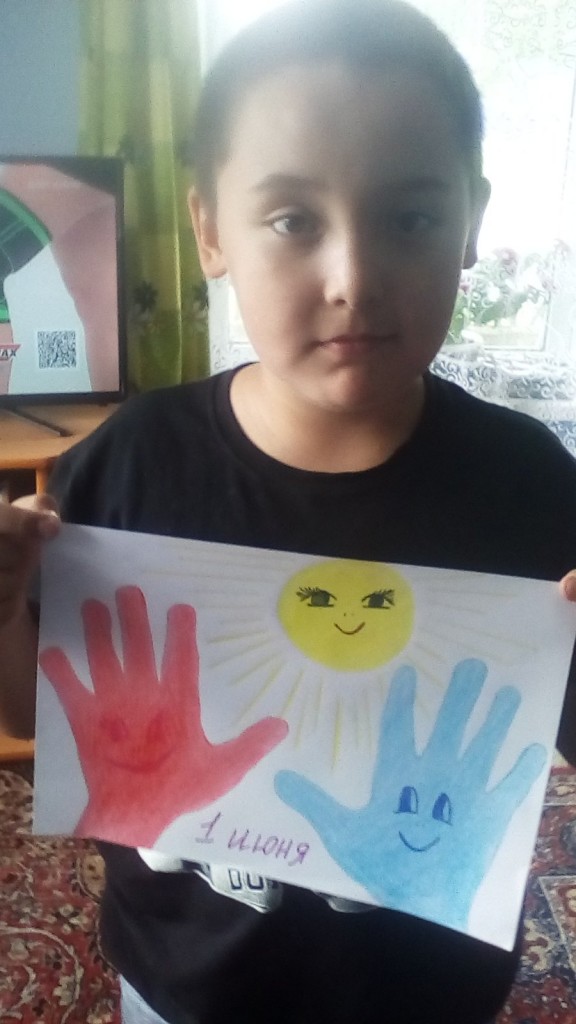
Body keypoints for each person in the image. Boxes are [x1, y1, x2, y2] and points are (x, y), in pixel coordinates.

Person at [1, 1, 576, 1021]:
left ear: (471, 223)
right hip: (181, 988)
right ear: (209, 231)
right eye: (292, 219)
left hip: (428, 996)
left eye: (410, 218)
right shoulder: (125, 464)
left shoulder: (531, 482)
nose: (354, 278)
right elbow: (33, 718)